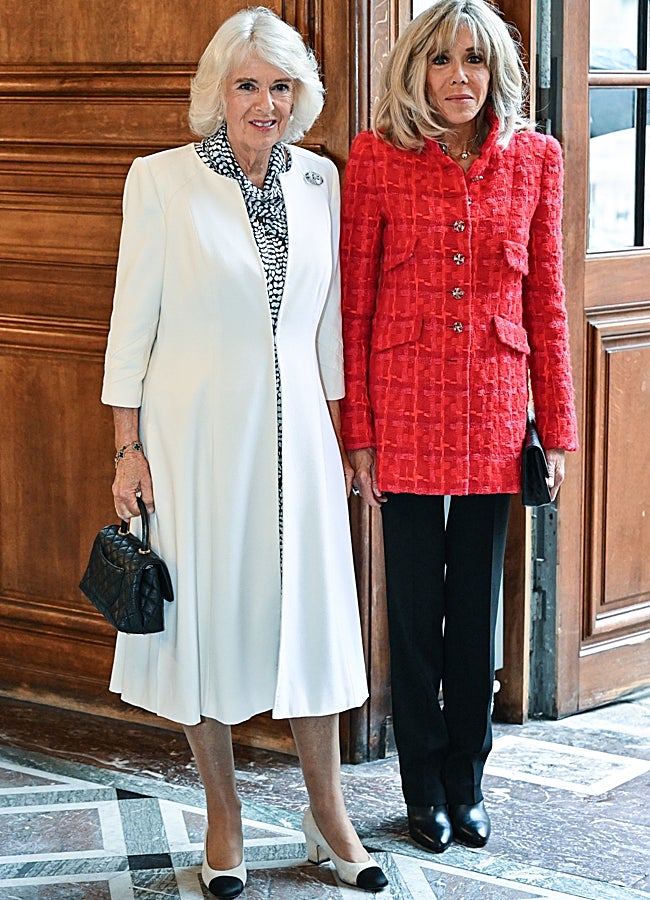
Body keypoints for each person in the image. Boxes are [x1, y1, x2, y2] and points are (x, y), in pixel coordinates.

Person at [101, 8, 387, 897]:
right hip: (194, 434)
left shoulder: (319, 179)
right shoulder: (161, 180)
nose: (267, 103)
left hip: (300, 434)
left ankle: (328, 814)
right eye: (249, 84)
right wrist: (127, 449)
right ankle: (222, 815)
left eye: (282, 86)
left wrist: (348, 435)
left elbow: (328, 327)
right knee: (209, 621)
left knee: (313, 620)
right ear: (217, 92)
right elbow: (131, 325)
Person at [340, 0, 578, 854]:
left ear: (497, 71)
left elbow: (547, 301)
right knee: (412, 614)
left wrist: (557, 426)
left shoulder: (536, 161)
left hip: (493, 412)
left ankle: (466, 784)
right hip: (402, 407)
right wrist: (358, 434)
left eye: (474, 60)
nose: (458, 77)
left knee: (475, 614)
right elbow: (354, 305)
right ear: (416, 70)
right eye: (441, 60)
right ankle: (420, 789)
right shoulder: (377, 157)